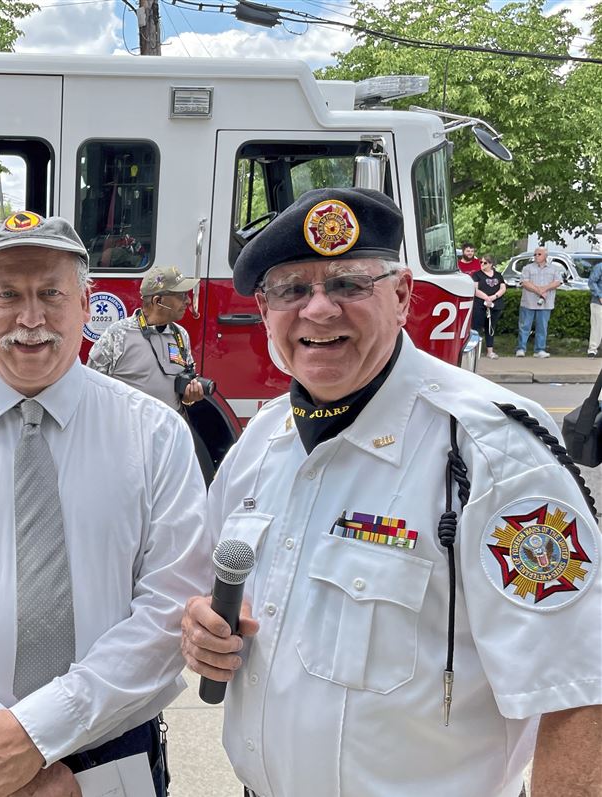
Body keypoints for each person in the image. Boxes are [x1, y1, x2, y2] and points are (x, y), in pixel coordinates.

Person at [180, 188, 601, 797]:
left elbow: (578, 690)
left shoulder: (493, 453)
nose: (318, 310)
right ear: (266, 310)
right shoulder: (262, 439)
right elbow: (210, 586)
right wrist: (201, 626)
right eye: (291, 289)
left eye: (349, 284)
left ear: (402, 296)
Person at [0, 211, 212, 796]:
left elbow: (170, 605)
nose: (31, 319)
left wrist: (35, 733)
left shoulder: (155, 435)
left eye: (51, 293)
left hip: (109, 752)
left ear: (85, 303)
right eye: (8, 296)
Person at [87, 265, 205, 411]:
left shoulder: (180, 334)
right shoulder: (117, 335)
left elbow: (184, 391)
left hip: (168, 430)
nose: (187, 301)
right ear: (158, 301)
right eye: (181, 295)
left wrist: (189, 397)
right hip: (129, 431)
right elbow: (90, 388)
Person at [516, 246, 561, 358]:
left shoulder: (554, 269)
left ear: (545, 256)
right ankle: (521, 349)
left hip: (545, 303)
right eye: (535, 254)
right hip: (528, 302)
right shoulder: (527, 268)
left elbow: (558, 282)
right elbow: (524, 282)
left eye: (539, 254)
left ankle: (539, 350)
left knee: (542, 327)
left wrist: (544, 289)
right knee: (524, 326)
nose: (536, 256)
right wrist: (539, 290)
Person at [471, 256, 506, 359]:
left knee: (491, 327)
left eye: (485, 263)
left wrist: (494, 297)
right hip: (480, 304)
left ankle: (490, 351)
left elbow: (503, 288)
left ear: (491, 264)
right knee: (476, 327)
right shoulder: (477, 274)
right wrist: (486, 298)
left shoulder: (498, 275)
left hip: (495, 304)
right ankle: (475, 350)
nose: (482, 264)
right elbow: (475, 289)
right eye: (481, 262)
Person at [588, 255, 602, 357]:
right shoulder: (599, 267)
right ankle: (592, 349)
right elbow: (592, 282)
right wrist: (600, 295)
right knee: (597, 326)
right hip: (598, 301)